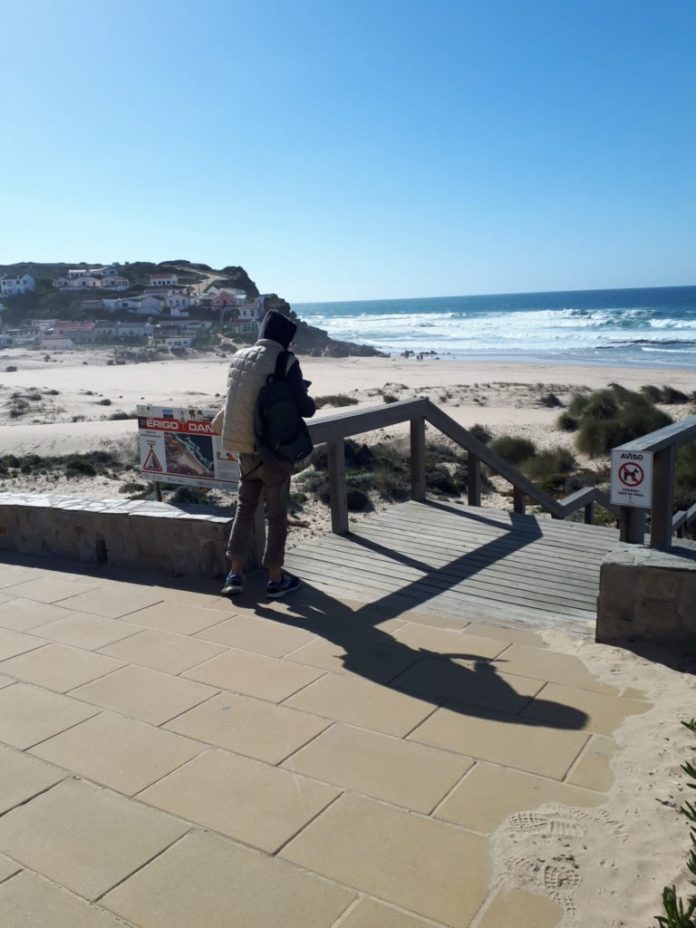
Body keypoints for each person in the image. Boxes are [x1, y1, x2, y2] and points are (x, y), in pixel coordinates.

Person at [213, 309, 315, 598]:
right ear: (285, 339)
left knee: (244, 510)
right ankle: (274, 579)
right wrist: (308, 401)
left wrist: (219, 428)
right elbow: (304, 408)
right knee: (277, 516)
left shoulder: (238, 357)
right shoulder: (285, 360)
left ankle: (234, 574)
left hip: (245, 450)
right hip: (274, 452)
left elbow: (236, 400)